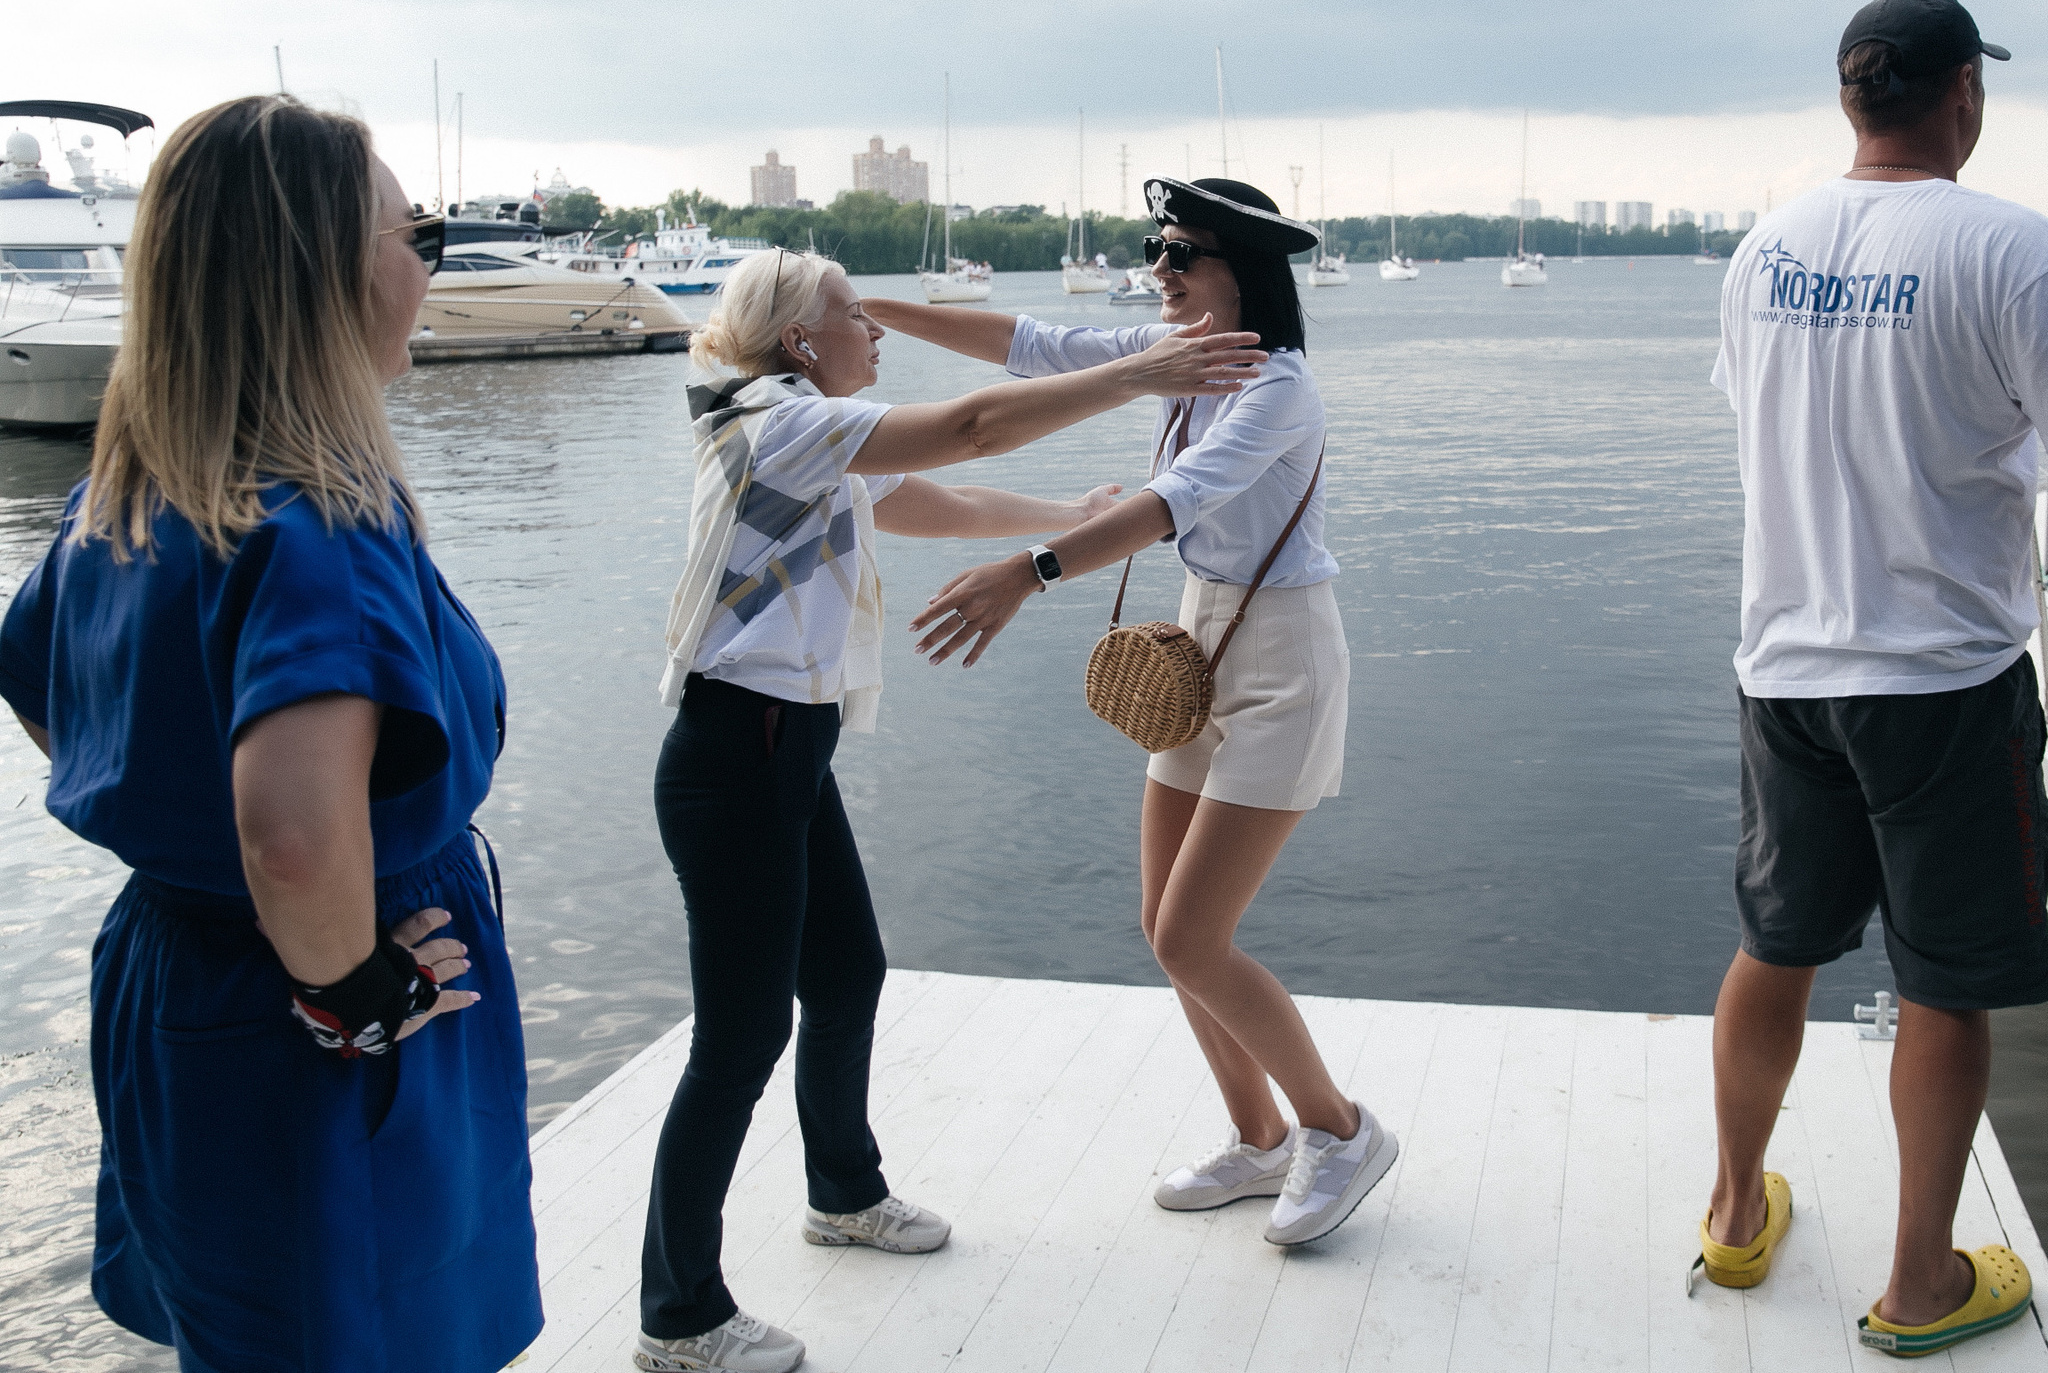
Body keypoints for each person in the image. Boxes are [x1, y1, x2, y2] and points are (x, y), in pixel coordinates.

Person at [1704, 0, 2048, 1355]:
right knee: (1945, 978)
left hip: (1786, 670)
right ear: (1963, 90)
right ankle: (1920, 1286)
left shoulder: (1765, 247)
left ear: (1853, 99)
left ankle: (1734, 1213)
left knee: (1775, 943)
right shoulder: (2011, 248)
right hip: (1943, 685)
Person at [639, 247, 1266, 1373]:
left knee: (846, 977)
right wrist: (1141, 373)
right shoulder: (780, 423)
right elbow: (971, 429)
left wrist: (1070, 514)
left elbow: (947, 498)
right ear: (800, 341)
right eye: (855, 315)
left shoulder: (816, 434)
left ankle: (843, 1193)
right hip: (736, 757)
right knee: (740, 1037)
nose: (875, 332)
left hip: (785, 751)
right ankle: (678, 1317)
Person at [0, 95, 540, 1371]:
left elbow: (40, 688)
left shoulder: (121, 502)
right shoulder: (320, 529)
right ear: (328, 275)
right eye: (419, 236)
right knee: (358, 1337)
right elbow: (293, 840)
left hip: (179, 977)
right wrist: (357, 991)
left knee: (240, 1332)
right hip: (322, 1020)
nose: (429, 266)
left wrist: (180, 828)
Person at [870, 176, 1398, 1250]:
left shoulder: (1277, 389)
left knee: (1196, 936)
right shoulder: (1177, 355)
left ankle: (1341, 1130)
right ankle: (1257, 1139)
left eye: (1180, 253)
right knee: (1164, 928)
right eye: (1155, 249)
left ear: (1240, 273)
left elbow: (1169, 504)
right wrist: (868, 306)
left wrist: (1027, 571)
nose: (1158, 269)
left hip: (1283, 656)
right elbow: (1026, 343)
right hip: (1199, 636)